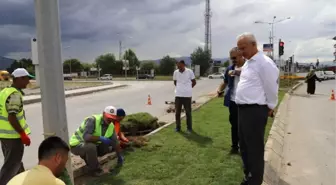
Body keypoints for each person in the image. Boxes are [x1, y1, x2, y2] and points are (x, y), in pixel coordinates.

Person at [235, 33, 279, 185]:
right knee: (245, 147)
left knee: (254, 148)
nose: (241, 52)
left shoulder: (264, 63)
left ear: (254, 44)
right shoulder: (248, 62)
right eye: (239, 49)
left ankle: (255, 181)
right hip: (243, 110)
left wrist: (271, 106)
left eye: (243, 48)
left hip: (255, 111)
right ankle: (248, 176)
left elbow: (272, 87)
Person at [69, 106, 125, 177]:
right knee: (91, 147)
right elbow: (86, 137)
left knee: (106, 147)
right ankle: (95, 170)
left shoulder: (111, 126)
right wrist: (100, 138)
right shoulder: (92, 120)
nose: (110, 119)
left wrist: (119, 156)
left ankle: (88, 158)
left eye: (112, 118)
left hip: (90, 144)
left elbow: (115, 142)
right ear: (104, 114)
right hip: (76, 145)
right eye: (109, 117)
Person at [0, 68, 33, 185]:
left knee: (15, 163)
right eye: (26, 79)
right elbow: (12, 117)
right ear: (19, 79)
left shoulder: (5, 91)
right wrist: (23, 134)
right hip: (12, 136)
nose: (28, 82)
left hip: (4, 135)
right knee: (10, 167)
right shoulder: (14, 95)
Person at [217, 47, 245, 154]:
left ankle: (244, 147)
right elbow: (225, 82)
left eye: (234, 57)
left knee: (245, 126)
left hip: (245, 102)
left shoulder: (248, 67)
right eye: (231, 58)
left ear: (241, 55)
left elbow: (248, 74)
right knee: (234, 124)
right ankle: (234, 147)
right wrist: (219, 90)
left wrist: (235, 72)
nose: (233, 60)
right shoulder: (229, 68)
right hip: (233, 101)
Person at [173, 60, 196, 133]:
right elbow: (175, 82)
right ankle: (178, 127)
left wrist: (188, 88)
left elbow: (194, 82)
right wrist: (180, 89)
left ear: (183, 65)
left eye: (180, 66)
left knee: (188, 113)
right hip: (178, 95)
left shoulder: (189, 71)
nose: (178, 67)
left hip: (187, 96)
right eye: (177, 66)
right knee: (177, 113)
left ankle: (189, 128)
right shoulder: (176, 72)